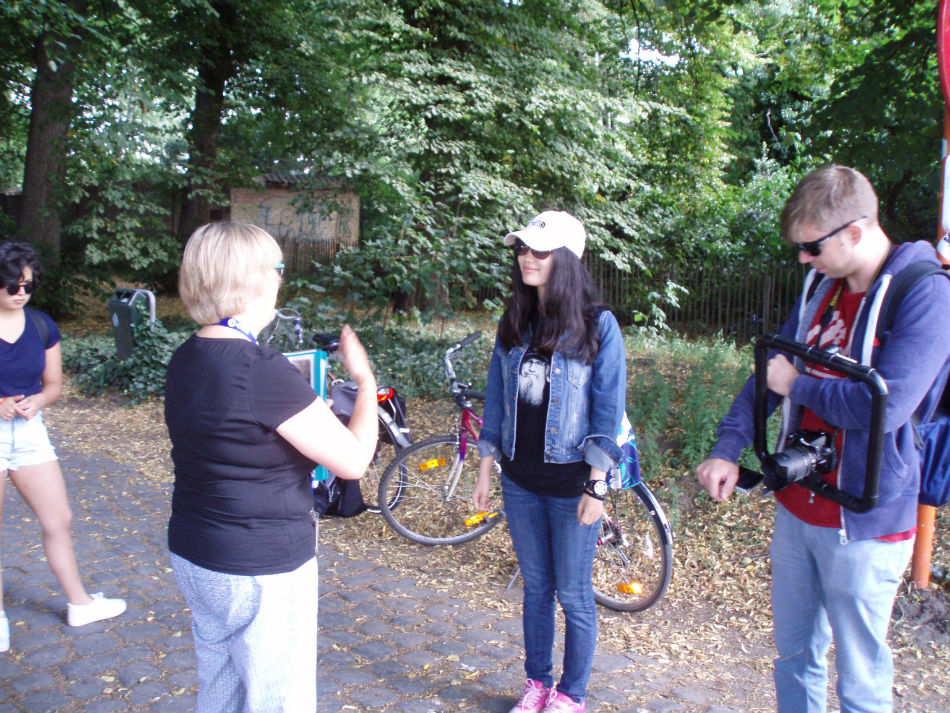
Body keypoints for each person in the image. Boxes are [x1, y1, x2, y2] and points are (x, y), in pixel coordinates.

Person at [694, 165, 950, 713]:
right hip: (799, 505)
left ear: (854, 232)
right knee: (794, 658)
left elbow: (887, 407)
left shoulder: (926, 295)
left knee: (859, 681)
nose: (803, 260)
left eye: (812, 247)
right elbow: (770, 371)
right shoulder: (822, 287)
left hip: (865, 522)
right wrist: (728, 447)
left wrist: (799, 385)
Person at [164, 222, 378, 713]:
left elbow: (235, 435)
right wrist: (365, 381)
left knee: (220, 691)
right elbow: (353, 461)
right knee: (278, 701)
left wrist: (306, 411)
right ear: (255, 278)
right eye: (278, 267)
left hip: (196, 551)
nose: (282, 278)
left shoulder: (187, 356)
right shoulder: (259, 368)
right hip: (259, 564)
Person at [473, 211, 626, 713]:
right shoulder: (516, 318)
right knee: (536, 588)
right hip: (520, 481)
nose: (527, 257)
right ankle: (537, 682)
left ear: (566, 260)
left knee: (574, 593)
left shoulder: (598, 324)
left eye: (539, 250)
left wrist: (597, 485)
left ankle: (571, 693)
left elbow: (608, 408)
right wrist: (485, 467)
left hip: (572, 485)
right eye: (522, 248)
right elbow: (496, 395)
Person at [0, 241, 126, 652]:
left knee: (59, 519)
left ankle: (80, 604)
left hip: (29, 431)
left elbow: (53, 384)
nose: (21, 293)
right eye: (12, 285)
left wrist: (38, 400)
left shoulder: (41, 325)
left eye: (28, 285)